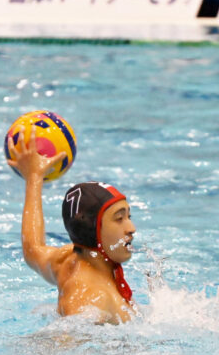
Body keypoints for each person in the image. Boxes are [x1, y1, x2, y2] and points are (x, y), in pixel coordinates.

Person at [7, 130, 137, 324]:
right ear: (93, 229)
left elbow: (33, 249)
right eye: (119, 219)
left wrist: (34, 177)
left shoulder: (68, 259)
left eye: (129, 216)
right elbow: (67, 337)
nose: (131, 228)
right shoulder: (90, 296)